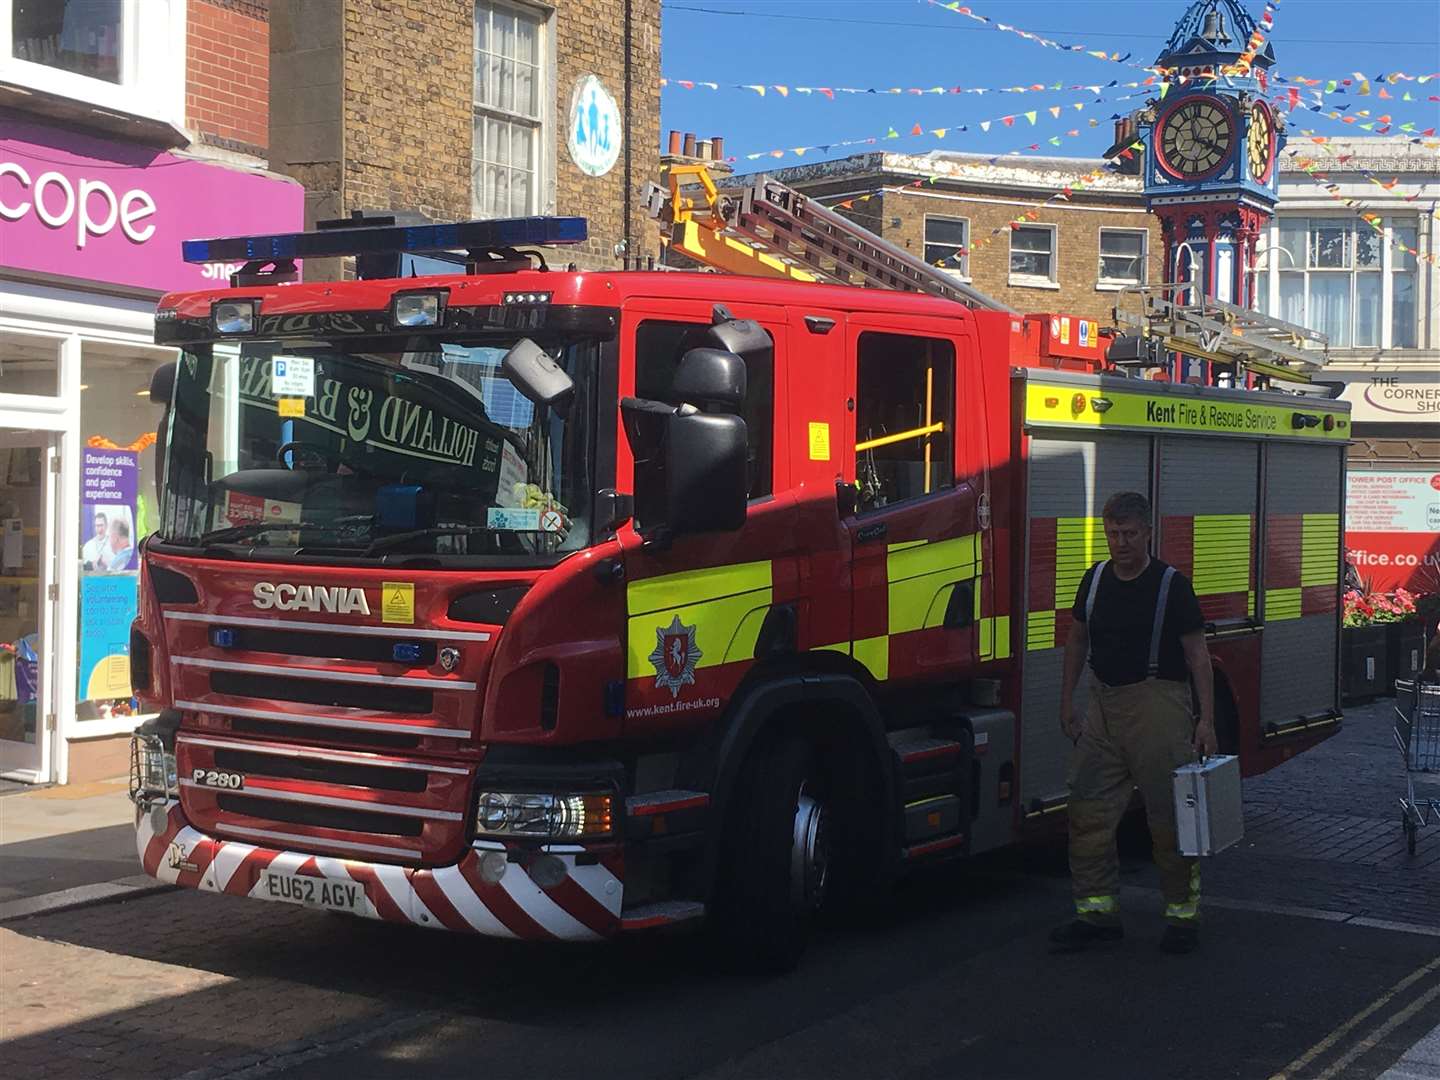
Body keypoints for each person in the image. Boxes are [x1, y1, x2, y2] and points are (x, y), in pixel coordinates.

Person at [1049, 491, 1215, 956]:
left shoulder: (1171, 585)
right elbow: (1077, 641)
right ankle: (1097, 914)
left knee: (1168, 819)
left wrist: (1206, 721)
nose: (1119, 543)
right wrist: (1068, 702)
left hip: (1159, 707)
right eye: (1112, 534)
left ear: (1147, 533)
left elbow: (1197, 656)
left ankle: (1182, 917)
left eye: (1128, 534)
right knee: (1087, 810)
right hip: (1104, 706)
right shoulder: (1096, 579)